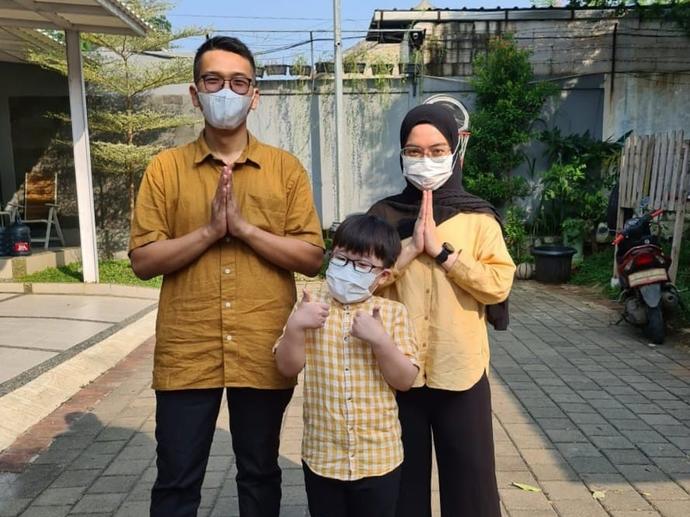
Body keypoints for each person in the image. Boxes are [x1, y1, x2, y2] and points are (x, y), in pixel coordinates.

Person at [128, 36, 324, 517]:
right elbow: (143, 260)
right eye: (213, 80)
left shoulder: (285, 170)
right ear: (195, 93)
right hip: (187, 349)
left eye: (239, 82)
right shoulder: (164, 169)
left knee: (259, 473)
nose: (226, 91)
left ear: (254, 94)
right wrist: (213, 231)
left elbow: (311, 255)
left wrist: (245, 230)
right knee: (176, 477)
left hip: (263, 345)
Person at [368, 104, 516, 517]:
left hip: (461, 371)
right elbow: (360, 285)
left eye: (436, 150)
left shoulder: (478, 219)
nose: (425, 160)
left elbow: (498, 284)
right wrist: (412, 248)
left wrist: (444, 254)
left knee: (472, 489)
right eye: (414, 151)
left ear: (454, 151)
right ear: (400, 155)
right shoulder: (382, 218)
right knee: (400, 487)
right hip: (397, 374)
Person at [274, 214, 419, 517]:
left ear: (383, 276)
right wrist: (296, 327)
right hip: (323, 457)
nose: (349, 269)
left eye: (363, 265)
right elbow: (287, 367)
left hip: (379, 458)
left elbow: (405, 380)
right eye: (341, 258)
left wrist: (381, 341)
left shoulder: (393, 313)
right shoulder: (309, 304)